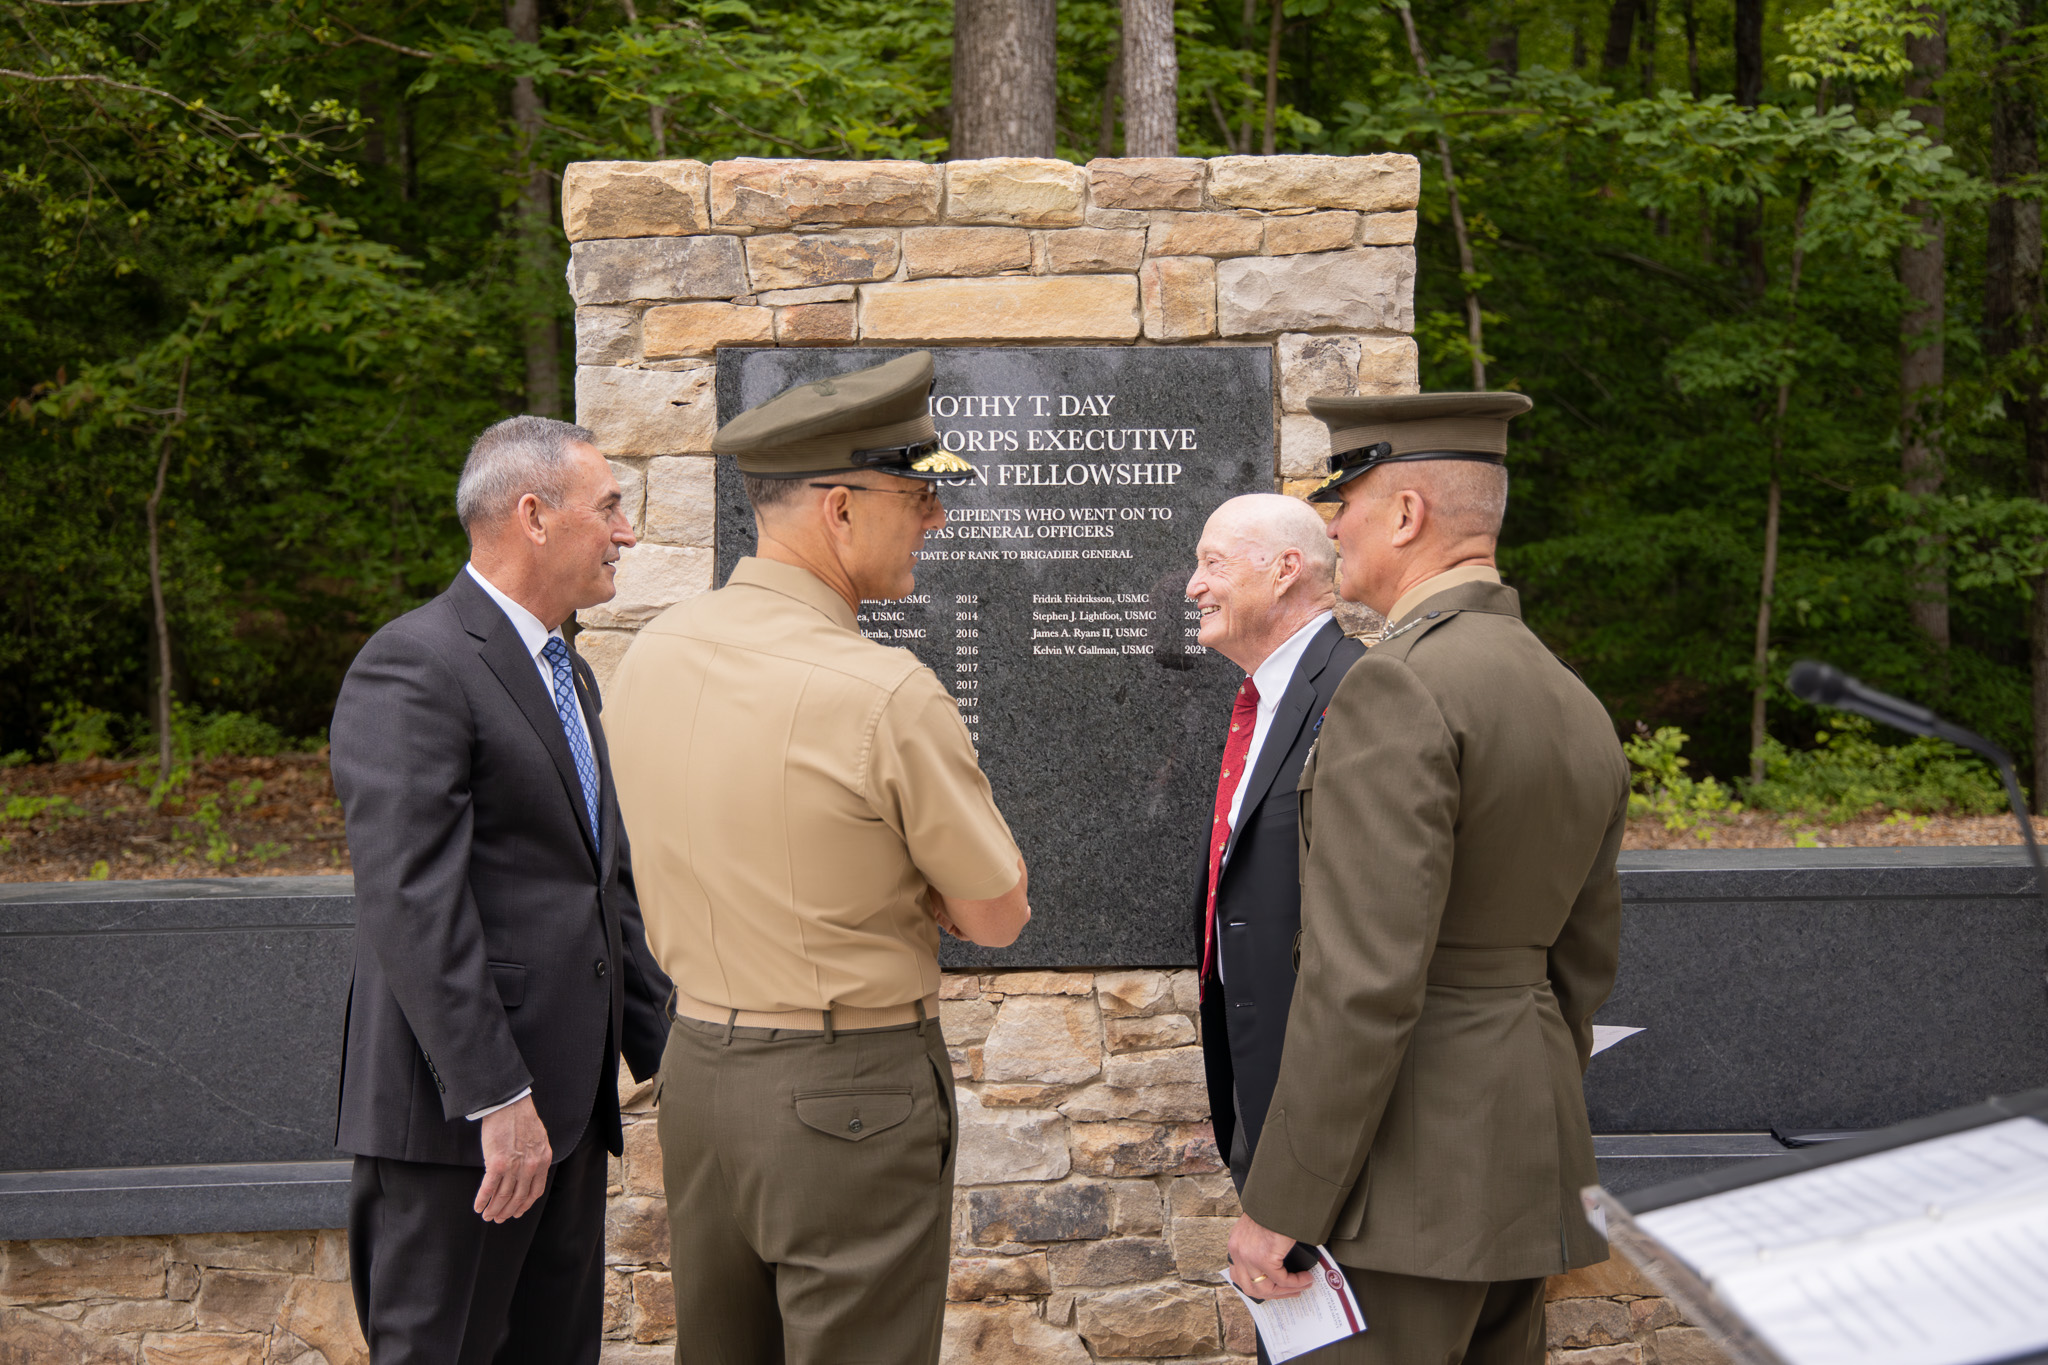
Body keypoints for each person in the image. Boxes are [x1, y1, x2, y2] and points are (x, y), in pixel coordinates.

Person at [604, 350, 1030, 1365]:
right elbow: (996, 913)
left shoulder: (652, 652)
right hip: (849, 1090)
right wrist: (915, 886)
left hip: (698, 1072)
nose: (936, 518)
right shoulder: (882, 691)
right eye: (917, 495)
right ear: (840, 508)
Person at [1224, 393, 1628, 1365]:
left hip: (1401, 1185)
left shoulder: (1396, 683)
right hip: (1520, 1165)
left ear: (1406, 514)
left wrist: (1284, 1202)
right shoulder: (1569, 695)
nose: (1332, 527)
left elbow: (1361, 979)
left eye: (1346, 501)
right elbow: (1581, 967)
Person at [330, 416, 674, 1364]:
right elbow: (412, 899)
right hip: (466, 1132)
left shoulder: (569, 671)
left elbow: (601, 885)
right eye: (609, 507)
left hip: (568, 1120)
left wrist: (675, 1054)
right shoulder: (415, 664)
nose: (627, 531)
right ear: (534, 515)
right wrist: (496, 1096)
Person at [1184, 493, 1365, 1191]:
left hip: (1319, 1095)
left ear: (1286, 569)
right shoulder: (1260, 701)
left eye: (1213, 564)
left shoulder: (1357, 691)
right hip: (1256, 1070)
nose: (1194, 586)